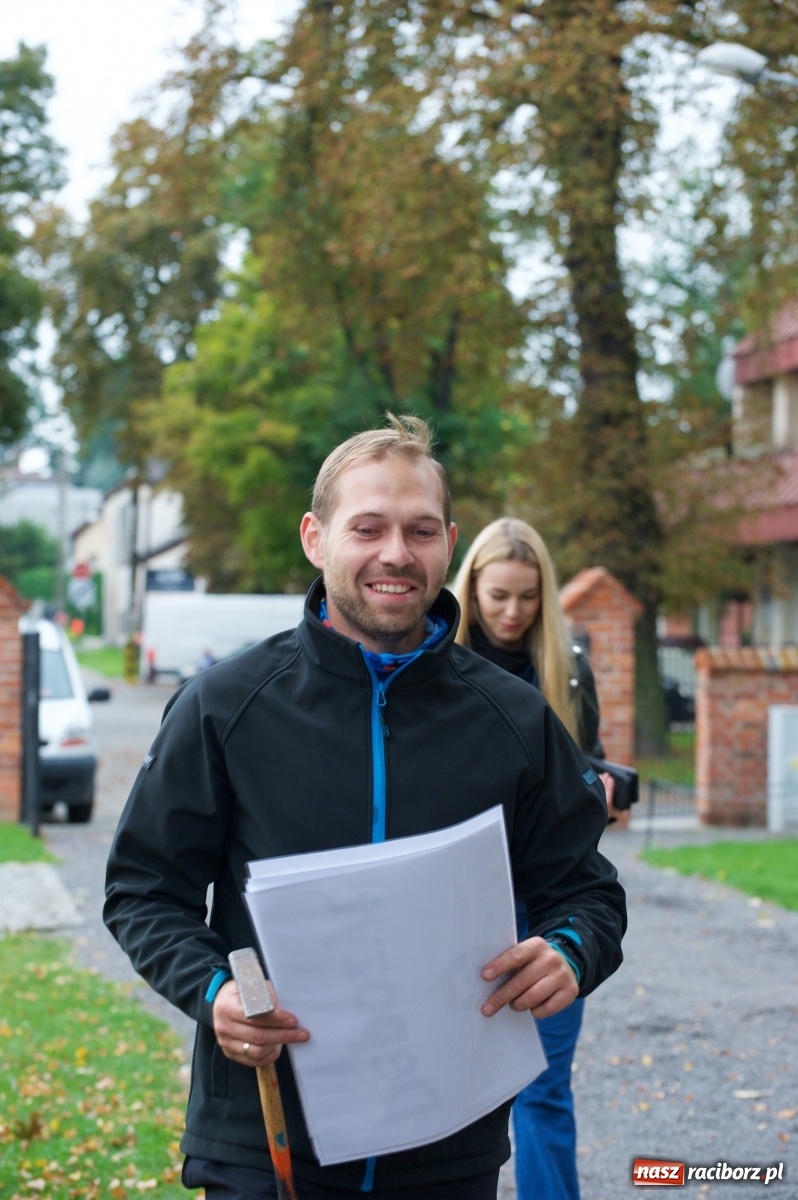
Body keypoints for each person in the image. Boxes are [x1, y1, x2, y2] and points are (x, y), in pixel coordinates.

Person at [104, 415, 626, 1200]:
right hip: (266, 1140)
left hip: (449, 1150)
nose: (396, 553)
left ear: (449, 543)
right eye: (368, 527)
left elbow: (588, 891)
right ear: (316, 538)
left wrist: (571, 950)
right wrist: (212, 991)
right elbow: (143, 890)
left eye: (420, 531)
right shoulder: (224, 707)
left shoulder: (513, 719)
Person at [450, 516, 613, 1200]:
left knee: (545, 1089)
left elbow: (586, 766)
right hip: (458, 900)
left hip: (545, 902)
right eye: (498, 597)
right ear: (472, 591)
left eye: (527, 596)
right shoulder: (439, 666)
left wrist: (605, 787)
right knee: (450, 1092)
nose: (513, 612)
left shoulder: (566, 667)